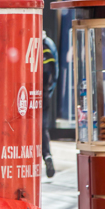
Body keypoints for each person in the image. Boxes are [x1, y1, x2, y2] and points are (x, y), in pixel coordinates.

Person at [42, 31, 58, 179]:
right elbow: (55, 72)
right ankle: (47, 156)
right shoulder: (49, 44)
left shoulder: (30, 42)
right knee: (42, 127)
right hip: (45, 93)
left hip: (28, 92)